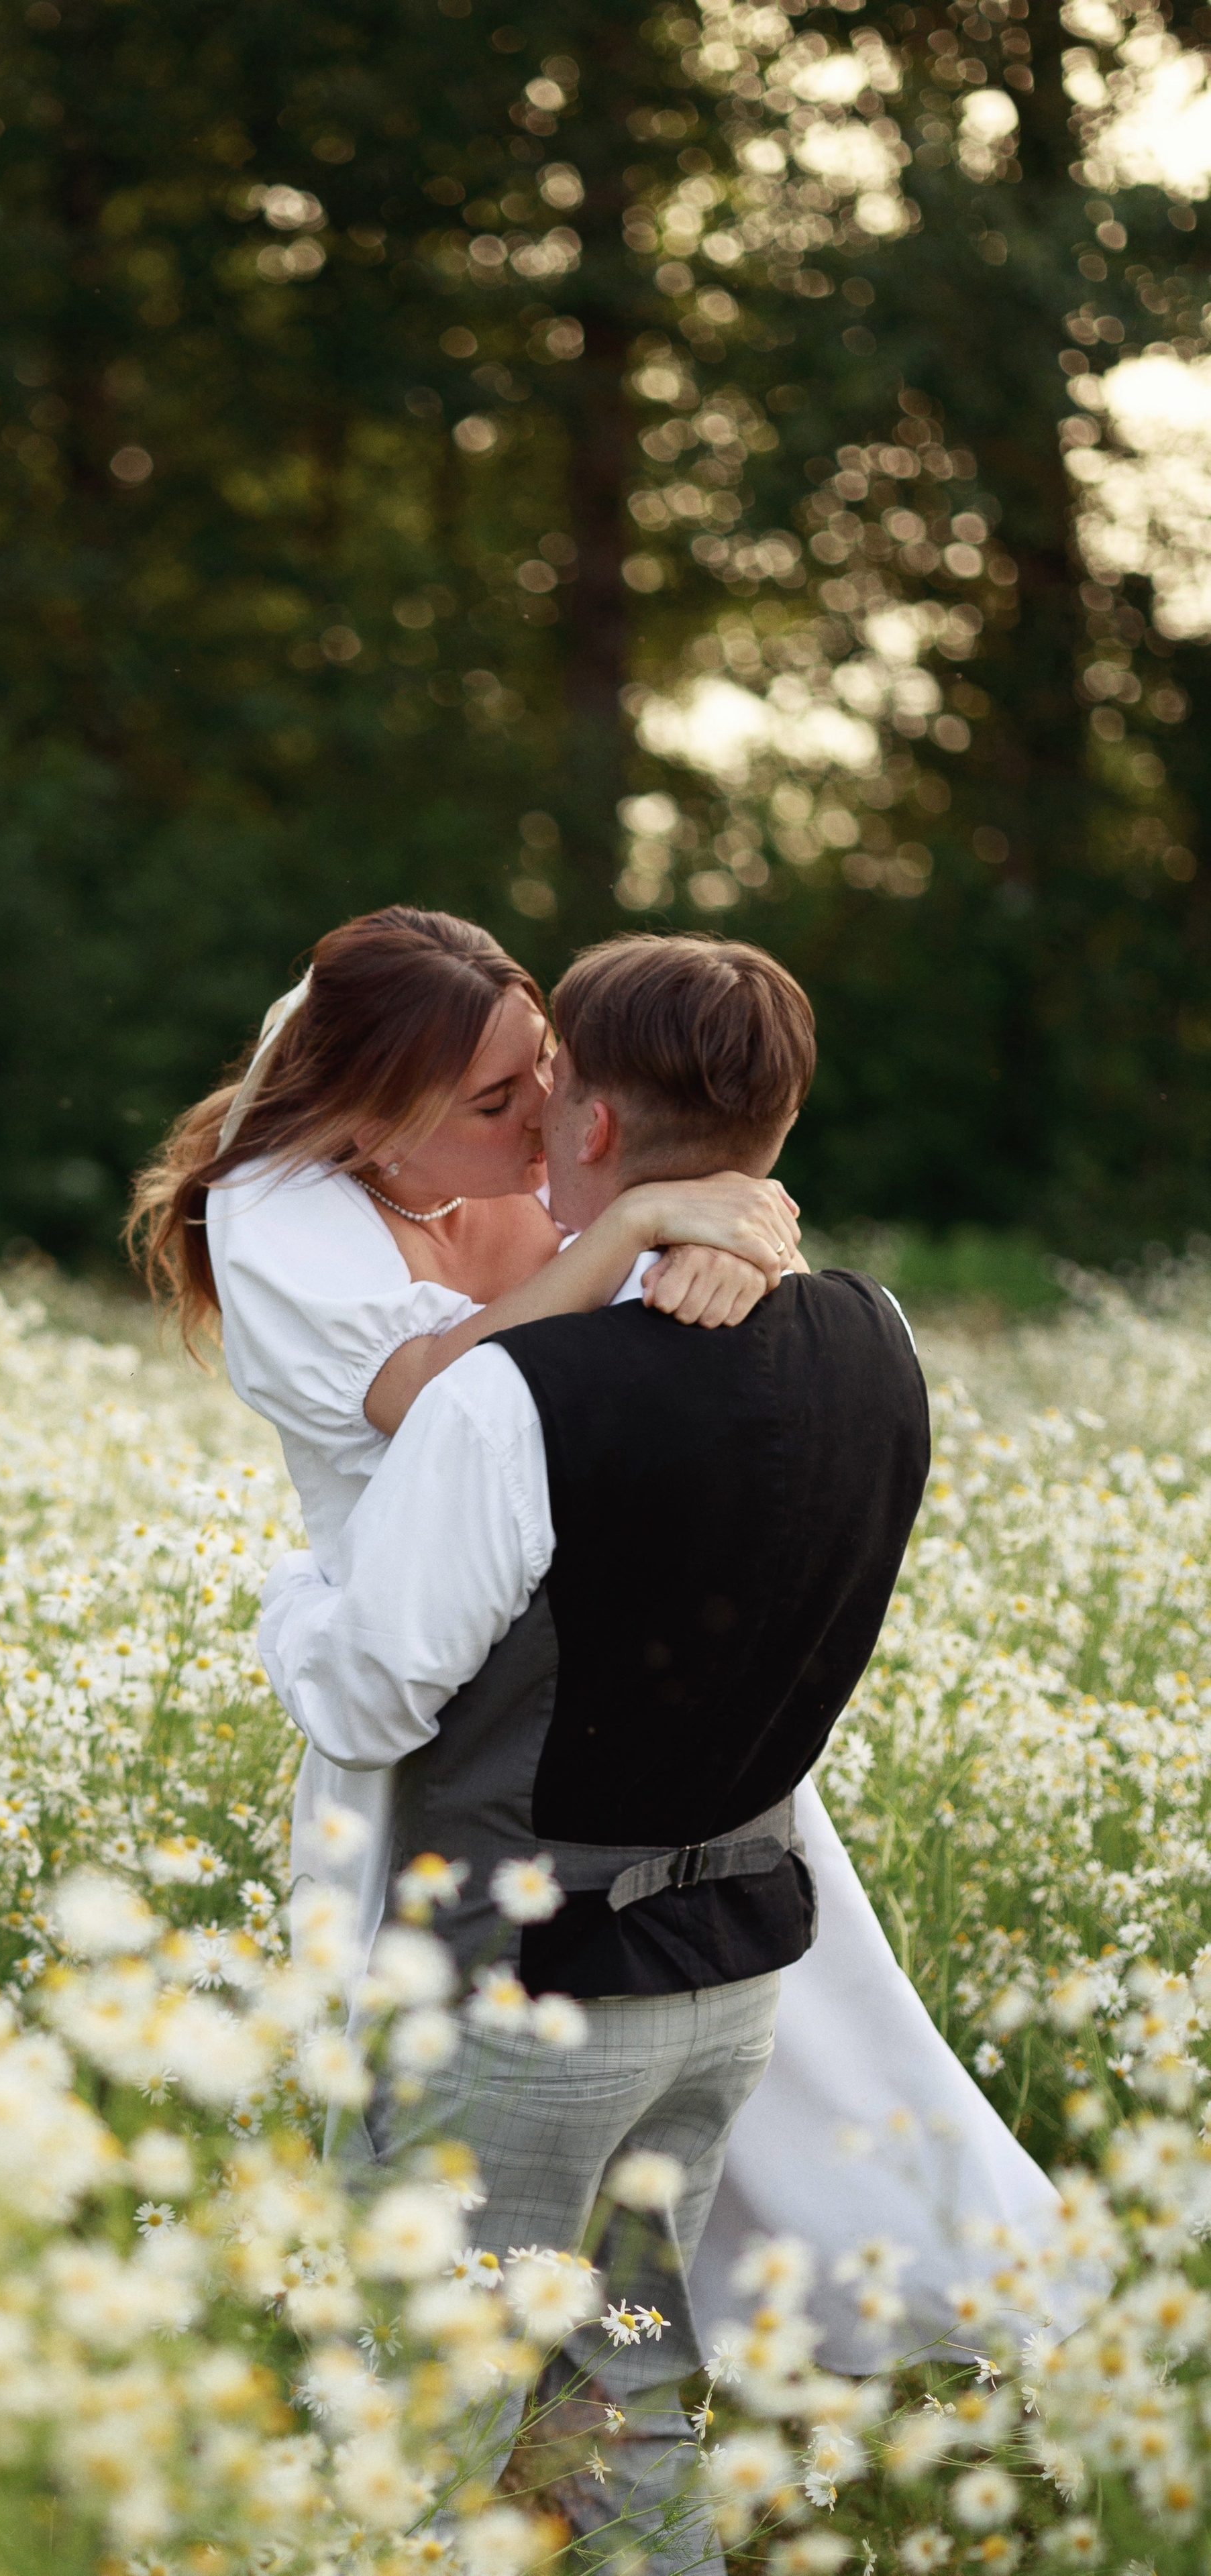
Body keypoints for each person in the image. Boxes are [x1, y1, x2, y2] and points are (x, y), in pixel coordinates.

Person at [127, 910, 1056, 2385]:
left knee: (808, 2056)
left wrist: (730, 1250)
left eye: (544, 1073)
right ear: (371, 1119)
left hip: (648, 1683)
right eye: (495, 1101)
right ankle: (577, 2414)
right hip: (441, 1705)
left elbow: (673, 1271)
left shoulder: (566, 1152)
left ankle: (742, 2368)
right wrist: (637, 1228)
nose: (537, 1116)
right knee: (478, 2122)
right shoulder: (281, 1217)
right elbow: (441, 1397)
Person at [252, 932, 916, 2567]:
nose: (532, 1118)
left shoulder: (511, 1397)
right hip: (730, 1979)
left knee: (408, 2435)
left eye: (546, 1092)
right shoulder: (875, 1338)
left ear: (598, 1127)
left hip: (522, 1994)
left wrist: (288, 1593)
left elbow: (363, 1696)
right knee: (625, 2410)